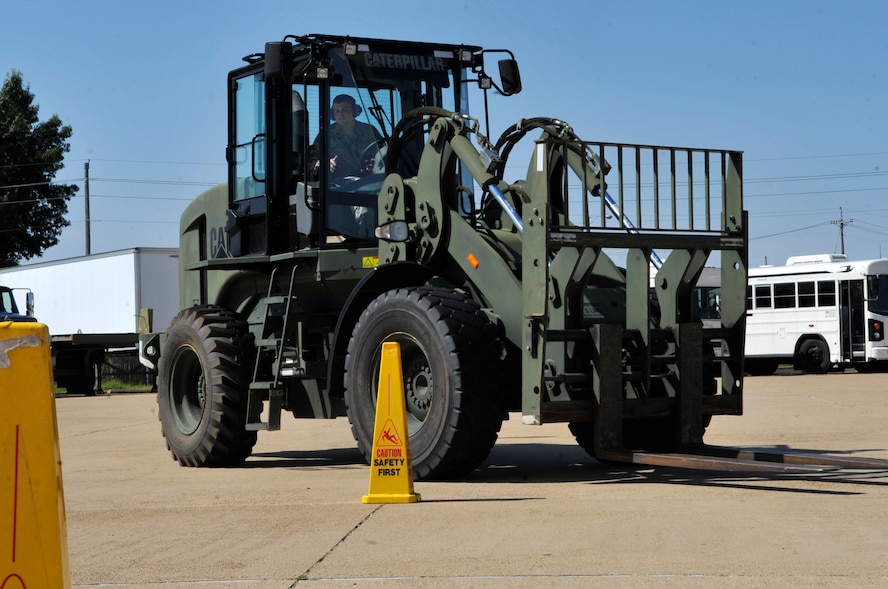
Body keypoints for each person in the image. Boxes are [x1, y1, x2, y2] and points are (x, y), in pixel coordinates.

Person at [314, 94, 382, 182]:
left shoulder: (369, 130)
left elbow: (383, 154)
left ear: (354, 111)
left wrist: (375, 163)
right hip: (338, 186)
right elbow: (312, 160)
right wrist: (325, 163)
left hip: (369, 182)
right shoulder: (326, 134)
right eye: (337, 111)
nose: (340, 114)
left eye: (345, 110)